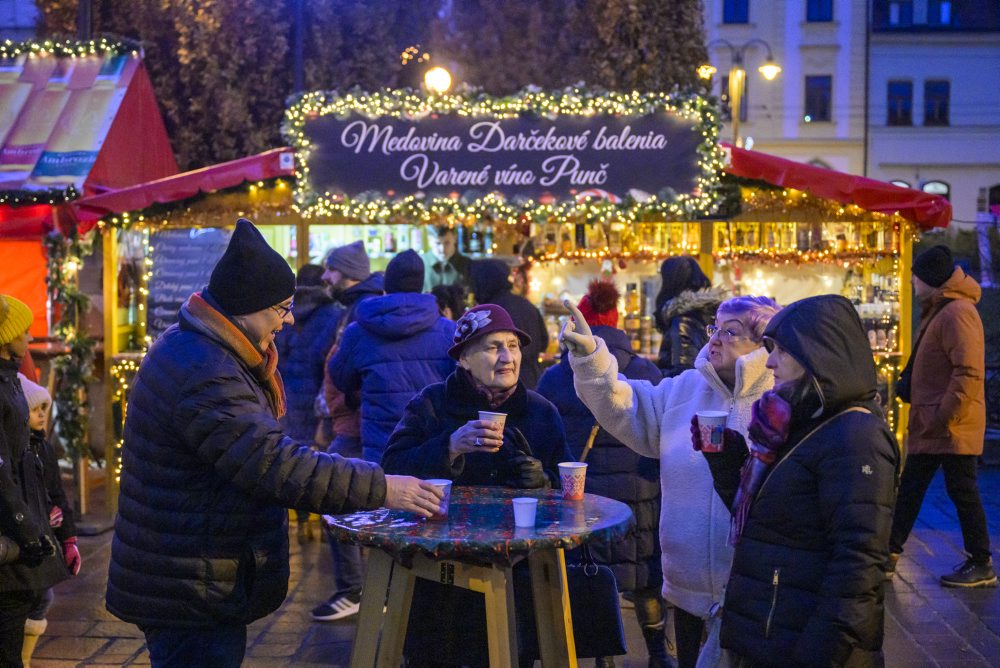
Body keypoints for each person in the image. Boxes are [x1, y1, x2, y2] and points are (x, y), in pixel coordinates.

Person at [105, 219, 443, 667]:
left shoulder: (203, 346)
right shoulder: (206, 369)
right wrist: (384, 487)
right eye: (280, 308)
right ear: (245, 306)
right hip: (190, 583)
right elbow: (274, 463)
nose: (288, 320)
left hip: (192, 571)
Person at [560, 294, 780, 668]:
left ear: (764, 344)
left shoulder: (780, 397)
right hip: (686, 589)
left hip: (755, 593)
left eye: (732, 331)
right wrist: (590, 358)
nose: (715, 338)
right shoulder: (684, 390)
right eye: (715, 328)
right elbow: (624, 403)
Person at [694, 294, 899, 666]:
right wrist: (728, 462)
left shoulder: (855, 437)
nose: (769, 361)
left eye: (782, 351)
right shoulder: (798, 421)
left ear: (818, 354)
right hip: (772, 629)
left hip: (802, 644)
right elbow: (771, 524)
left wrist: (819, 654)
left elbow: (858, 567)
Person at [382, 303, 571, 667]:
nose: (507, 357)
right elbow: (391, 468)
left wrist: (543, 482)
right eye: (492, 347)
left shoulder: (541, 412)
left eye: (513, 346)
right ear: (464, 359)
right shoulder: (433, 404)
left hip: (516, 578)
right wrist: (449, 446)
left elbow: (572, 494)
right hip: (440, 575)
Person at [537, 280, 670, 668]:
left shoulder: (556, 378)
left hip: (585, 497)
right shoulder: (646, 370)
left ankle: (599, 658)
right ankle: (659, 652)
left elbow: (549, 439)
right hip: (639, 496)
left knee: (592, 582)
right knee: (645, 582)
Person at [886, 245, 994, 586]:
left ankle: (982, 562)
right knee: (913, 486)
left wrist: (944, 417)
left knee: (961, 491)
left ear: (930, 280)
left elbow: (968, 372)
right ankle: (888, 553)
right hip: (936, 423)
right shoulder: (942, 309)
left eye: (915, 278)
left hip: (948, 426)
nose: (912, 284)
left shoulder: (956, 312)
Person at [311, 242, 385, 622]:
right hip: (359, 424)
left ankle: (355, 590)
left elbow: (344, 372)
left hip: (356, 427)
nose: (325, 277)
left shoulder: (360, 312)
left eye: (331, 270)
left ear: (349, 272)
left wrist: (340, 408)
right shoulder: (360, 307)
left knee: (334, 497)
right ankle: (374, 590)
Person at [326, 249, 456, 465]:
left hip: (380, 447)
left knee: (382, 497)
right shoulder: (449, 332)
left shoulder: (358, 331)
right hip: (432, 445)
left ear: (387, 284)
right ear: (421, 284)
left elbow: (341, 379)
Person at [0, 295, 65, 668]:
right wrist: (27, 529)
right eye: (23, 331)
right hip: (11, 536)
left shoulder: (11, 380)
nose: (29, 337)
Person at [275, 264, 342, 544]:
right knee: (326, 463)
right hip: (320, 401)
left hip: (289, 399)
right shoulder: (335, 314)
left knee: (297, 464)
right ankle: (328, 522)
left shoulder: (282, 313)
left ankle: (303, 523)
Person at [17, 374, 80, 667]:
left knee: (43, 597)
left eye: (45, 407)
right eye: (35, 409)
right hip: (27, 538)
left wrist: (68, 538)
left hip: (45, 537)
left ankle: (23, 659)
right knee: (32, 598)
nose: (42, 413)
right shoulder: (18, 449)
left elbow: (57, 493)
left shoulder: (44, 448)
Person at [470, 258, 548, 389]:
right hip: (533, 379)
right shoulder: (527, 305)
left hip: (501, 383)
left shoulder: (487, 312)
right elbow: (543, 342)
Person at [654, 256, 726, 377]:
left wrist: (654, 374)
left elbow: (683, 373)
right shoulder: (708, 310)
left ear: (670, 283)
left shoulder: (684, 320)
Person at [422, 225, 472, 293]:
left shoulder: (467, 264)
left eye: (447, 243)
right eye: (438, 243)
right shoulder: (421, 263)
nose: (442, 249)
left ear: (455, 238)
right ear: (430, 240)